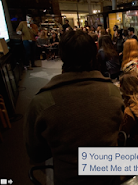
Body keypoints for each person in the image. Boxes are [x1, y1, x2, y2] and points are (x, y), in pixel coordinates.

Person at [24, 30, 124, 185]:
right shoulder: (113, 92)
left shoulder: (41, 102)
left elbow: (36, 154)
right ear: (94, 55)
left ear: (62, 56)